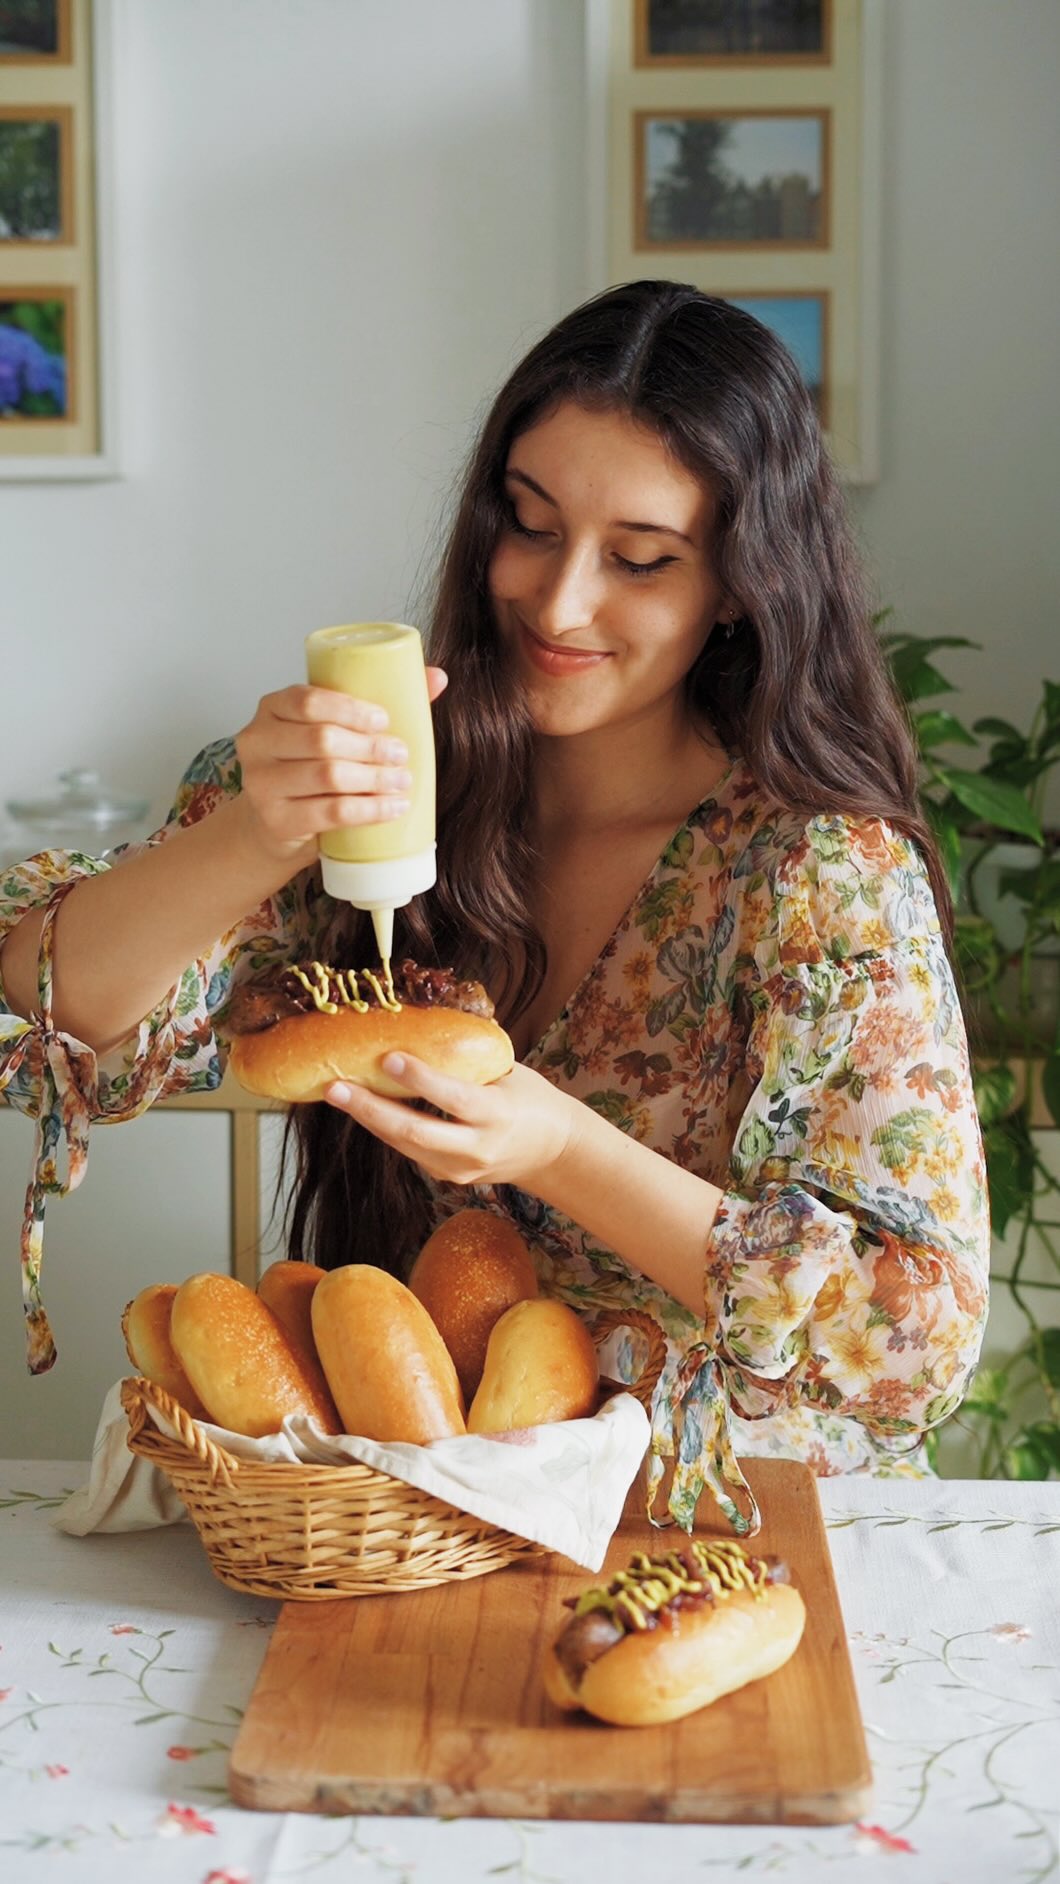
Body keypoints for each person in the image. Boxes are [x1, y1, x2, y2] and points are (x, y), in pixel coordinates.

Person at [0, 281, 988, 1532]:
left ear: (741, 582)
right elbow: (50, 1031)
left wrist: (559, 1147)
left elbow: (914, 1342)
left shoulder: (817, 876)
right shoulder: (386, 796)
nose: (559, 602)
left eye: (639, 560)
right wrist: (254, 831)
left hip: (722, 1538)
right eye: (528, 526)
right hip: (417, 1537)